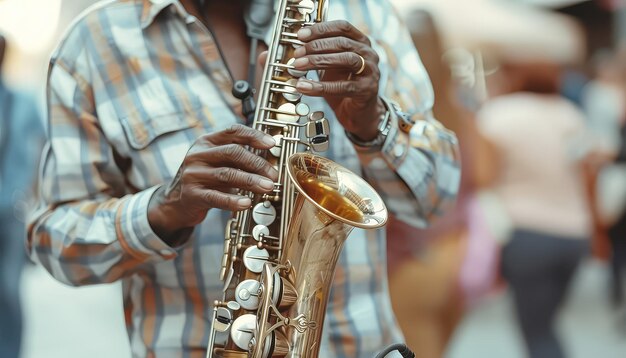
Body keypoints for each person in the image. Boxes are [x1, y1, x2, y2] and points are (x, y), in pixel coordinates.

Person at [27, 0, 460, 357]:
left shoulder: (366, 13)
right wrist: (163, 210)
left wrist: (374, 122)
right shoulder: (90, 45)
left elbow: (436, 200)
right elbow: (55, 243)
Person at [386, 10, 498, 358]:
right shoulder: (461, 105)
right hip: (454, 252)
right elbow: (484, 174)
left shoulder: (393, 107)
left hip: (406, 258)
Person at [477, 61, 593, 358]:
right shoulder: (570, 115)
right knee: (547, 322)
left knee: (537, 329)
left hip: (525, 231)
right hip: (575, 233)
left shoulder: (498, 114)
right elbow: (586, 173)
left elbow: (483, 174)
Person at [0, 34, 45, 358]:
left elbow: (42, 150)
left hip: (10, 211)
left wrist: (35, 199)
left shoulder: (22, 100)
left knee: (8, 290)